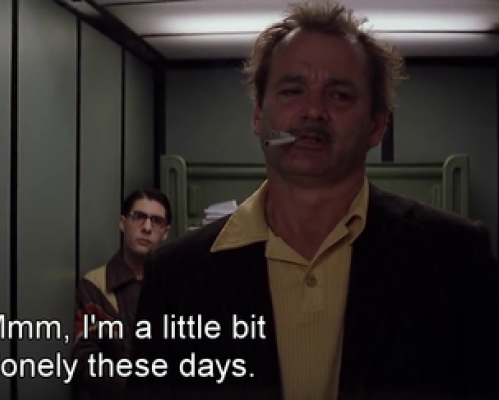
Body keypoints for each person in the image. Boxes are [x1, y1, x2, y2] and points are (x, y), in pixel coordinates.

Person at [127, 2, 499, 400]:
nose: (313, 111)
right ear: (258, 116)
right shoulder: (175, 275)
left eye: (339, 95)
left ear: (376, 126)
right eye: (292, 91)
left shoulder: (455, 256)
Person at [71, 189, 172, 400]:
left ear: (166, 233)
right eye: (138, 217)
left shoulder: (177, 284)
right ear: (122, 223)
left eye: (156, 221)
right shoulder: (96, 285)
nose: (147, 228)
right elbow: (86, 361)